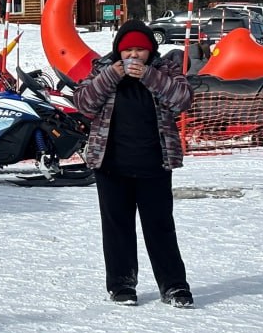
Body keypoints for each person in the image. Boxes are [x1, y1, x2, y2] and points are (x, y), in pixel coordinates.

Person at [74, 19, 195, 308]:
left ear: (150, 51)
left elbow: (183, 100)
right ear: (119, 52)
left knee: (160, 226)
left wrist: (150, 77)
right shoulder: (102, 69)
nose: (134, 56)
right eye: (128, 50)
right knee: (117, 227)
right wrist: (110, 77)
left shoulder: (165, 70)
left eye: (140, 50)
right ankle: (121, 285)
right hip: (111, 164)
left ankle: (174, 286)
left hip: (154, 163)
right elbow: (83, 103)